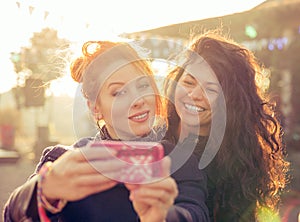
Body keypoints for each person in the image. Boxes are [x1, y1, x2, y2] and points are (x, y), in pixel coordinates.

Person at [3, 40, 210, 222]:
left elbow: (196, 214)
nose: (138, 100)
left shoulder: (178, 161)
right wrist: (44, 191)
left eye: (143, 85)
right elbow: (12, 216)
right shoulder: (65, 162)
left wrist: (164, 216)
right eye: (119, 92)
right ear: (96, 108)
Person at [164, 30, 290, 221]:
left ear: (230, 102)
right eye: (189, 82)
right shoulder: (151, 138)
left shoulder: (236, 165)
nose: (194, 95)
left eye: (211, 89)